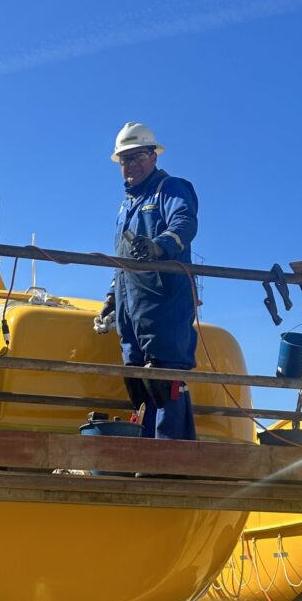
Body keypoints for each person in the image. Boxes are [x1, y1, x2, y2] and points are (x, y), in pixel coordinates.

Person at [94, 122, 198, 440]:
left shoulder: (170, 189)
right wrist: (112, 298)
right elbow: (121, 262)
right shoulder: (126, 207)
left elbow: (184, 221)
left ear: (153, 156)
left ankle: (172, 462)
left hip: (163, 304)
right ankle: (147, 455)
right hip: (131, 308)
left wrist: (160, 245)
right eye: (125, 159)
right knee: (137, 380)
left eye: (138, 156)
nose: (131, 165)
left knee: (164, 379)